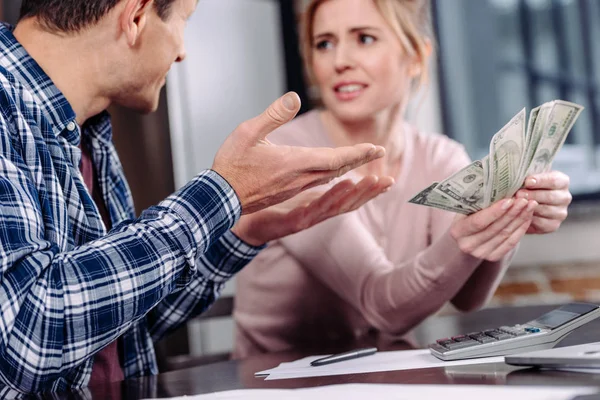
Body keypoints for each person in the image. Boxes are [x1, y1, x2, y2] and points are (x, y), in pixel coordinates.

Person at [0, 0, 396, 396]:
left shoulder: (89, 133)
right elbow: (27, 334)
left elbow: (117, 324)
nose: (182, 51)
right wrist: (221, 193)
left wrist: (242, 231)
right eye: (183, 22)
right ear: (136, 16)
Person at [232, 0, 573, 358]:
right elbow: (383, 306)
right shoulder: (290, 155)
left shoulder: (440, 156)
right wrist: (469, 236)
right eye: (324, 44)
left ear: (415, 56)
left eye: (364, 39)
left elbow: (468, 297)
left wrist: (514, 210)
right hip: (270, 382)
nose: (339, 60)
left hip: (374, 375)